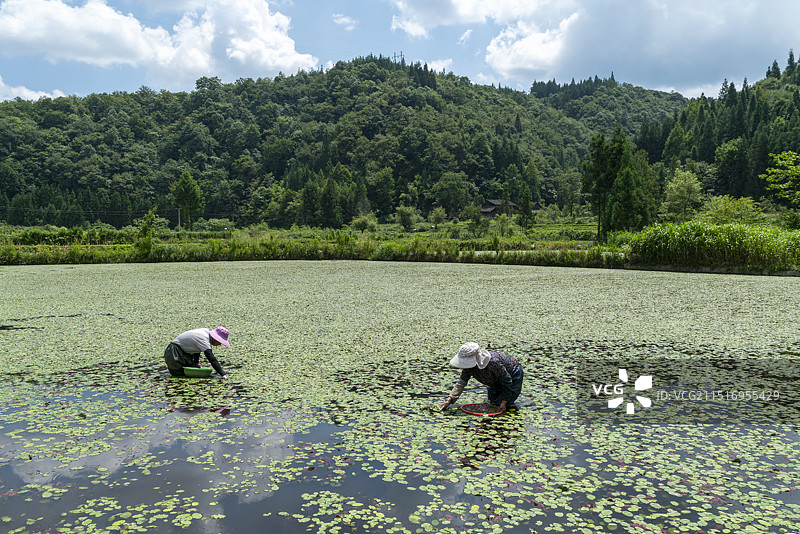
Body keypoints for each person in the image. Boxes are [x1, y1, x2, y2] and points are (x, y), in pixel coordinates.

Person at [438, 342, 523, 413]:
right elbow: (461, 383)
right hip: (493, 380)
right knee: (493, 403)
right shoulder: (468, 368)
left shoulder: (493, 363)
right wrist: (449, 400)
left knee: (504, 405)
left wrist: (504, 402)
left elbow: (507, 381)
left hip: (512, 374)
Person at [164, 327, 230, 378]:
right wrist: (223, 374)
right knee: (178, 374)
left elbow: (197, 348)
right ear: (216, 338)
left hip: (185, 353)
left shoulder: (206, 332)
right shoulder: (204, 338)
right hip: (174, 351)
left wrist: (196, 362)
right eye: (220, 342)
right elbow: (211, 359)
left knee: (189, 373)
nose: (220, 344)